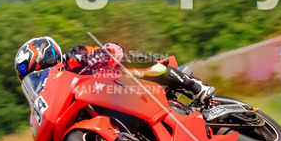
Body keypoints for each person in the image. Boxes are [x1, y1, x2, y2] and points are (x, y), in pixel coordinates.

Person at [13, 36, 214, 105]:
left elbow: (114, 48)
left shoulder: (74, 58)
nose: (40, 82)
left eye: (39, 74)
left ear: (48, 58)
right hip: (106, 112)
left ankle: (193, 85)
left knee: (128, 60)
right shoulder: (50, 98)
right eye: (33, 80)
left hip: (124, 90)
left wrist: (102, 55)